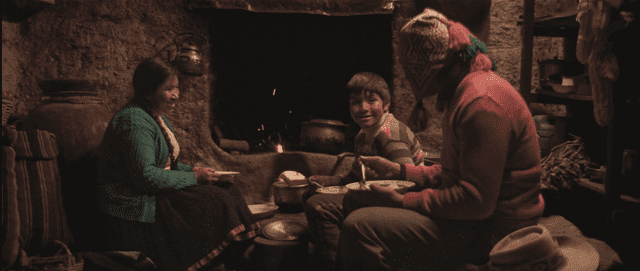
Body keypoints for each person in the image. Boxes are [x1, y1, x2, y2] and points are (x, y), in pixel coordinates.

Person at [336, 9, 544, 270]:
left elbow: (475, 201)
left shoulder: (482, 104)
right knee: (355, 200)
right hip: (477, 220)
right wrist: (399, 170)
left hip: (497, 232)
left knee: (360, 227)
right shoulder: (466, 92)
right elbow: (456, 173)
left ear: (434, 69)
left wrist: (401, 201)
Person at [96, 57, 258, 271]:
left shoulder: (155, 117)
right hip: (135, 203)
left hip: (152, 191)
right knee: (214, 201)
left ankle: (238, 254)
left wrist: (193, 170)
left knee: (226, 189)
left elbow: (168, 164)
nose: (176, 95)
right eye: (168, 88)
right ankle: (215, 259)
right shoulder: (133, 121)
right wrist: (195, 178)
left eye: (177, 87)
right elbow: (146, 177)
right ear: (147, 91)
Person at [304, 71, 425, 270]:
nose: (363, 108)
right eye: (355, 102)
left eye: (371, 100)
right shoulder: (363, 135)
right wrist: (328, 181)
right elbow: (355, 176)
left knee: (319, 206)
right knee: (312, 193)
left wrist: (373, 183)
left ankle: (337, 264)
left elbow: (407, 183)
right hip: (375, 195)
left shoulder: (390, 135)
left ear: (386, 104)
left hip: (401, 204)